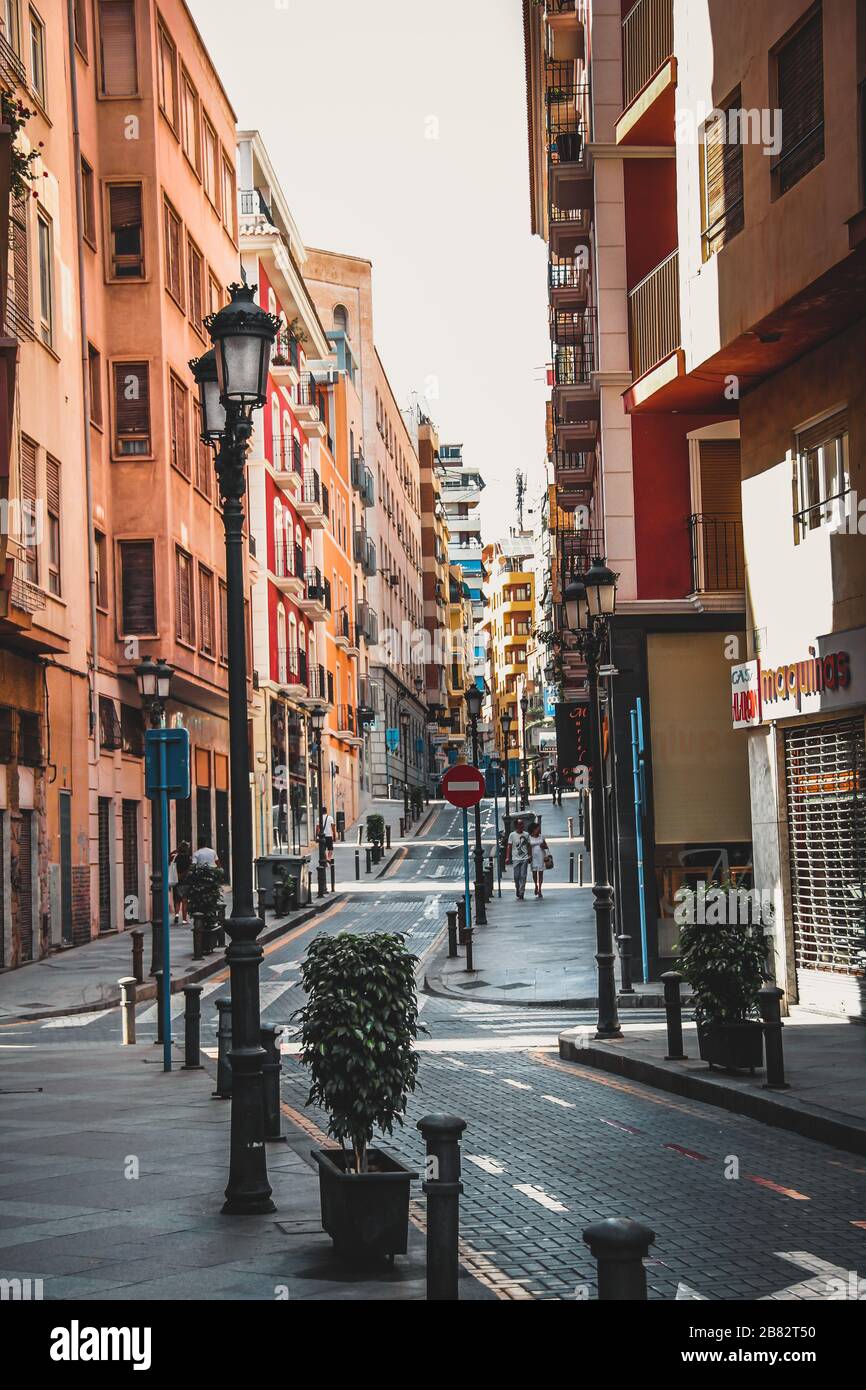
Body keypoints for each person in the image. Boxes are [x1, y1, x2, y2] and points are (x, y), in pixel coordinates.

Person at [505, 817, 530, 900]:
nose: (522, 825)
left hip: (524, 858)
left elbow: (528, 845)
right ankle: (517, 887)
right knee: (516, 876)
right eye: (520, 824)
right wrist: (508, 857)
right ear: (516, 826)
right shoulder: (512, 835)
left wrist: (530, 855)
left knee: (523, 875)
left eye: (522, 824)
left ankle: (522, 891)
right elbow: (509, 846)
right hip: (515, 858)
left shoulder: (526, 834)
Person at [169, 840, 192, 924]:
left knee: (177, 900)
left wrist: (176, 851)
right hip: (185, 881)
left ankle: (176, 915)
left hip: (176, 880)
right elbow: (190, 869)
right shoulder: (188, 858)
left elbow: (168, 858)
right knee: (184, 900)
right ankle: (184, 919)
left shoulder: (175, 857)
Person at [528, 820, 550, 899]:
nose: (539, 830)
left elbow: (546, 846)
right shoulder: (529, 837)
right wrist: (529, 856)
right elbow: (528, 847)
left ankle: (540, 888)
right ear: (533, 829)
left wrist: (547, 854)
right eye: (537, 828)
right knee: (534, 873)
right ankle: (535, 885)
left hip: (541, 856)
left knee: (540, 873)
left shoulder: (541, 837)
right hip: (533, 857)